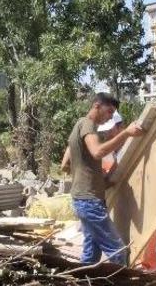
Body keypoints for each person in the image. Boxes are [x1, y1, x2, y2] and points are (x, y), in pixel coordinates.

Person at [60, 92, 143, 265]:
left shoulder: (79, 125)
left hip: (83, 199)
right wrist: (126, 133)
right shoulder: (88, 125)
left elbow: (66, 161)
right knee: (119, 252)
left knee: (91, 254)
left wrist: (101, 178)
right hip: (89, 202)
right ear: (97, 105)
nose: (110, 117)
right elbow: (97, 152)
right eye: (109, 112)